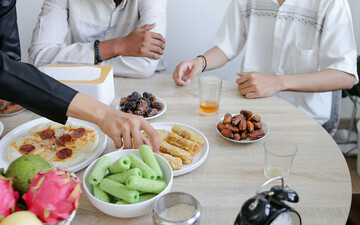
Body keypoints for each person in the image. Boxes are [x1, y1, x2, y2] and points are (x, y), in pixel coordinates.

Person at [0, 0, 159, 152]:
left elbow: (10, 67)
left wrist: (73, 60)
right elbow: (35, 60)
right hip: (74, 98)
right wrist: (119, 46)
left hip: (99, 96)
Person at [173, 0, 358, 126]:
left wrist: (278, 82)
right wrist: (200, 62)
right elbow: (227, 46)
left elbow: (345, 75)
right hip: (253, 112)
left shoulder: (331, 3)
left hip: (306, 120)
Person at [28, 0, 167, 78]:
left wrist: (72, 64)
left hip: (143, 85)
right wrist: (119, 45)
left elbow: (145, 66)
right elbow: (39, 58)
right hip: (82, 87)